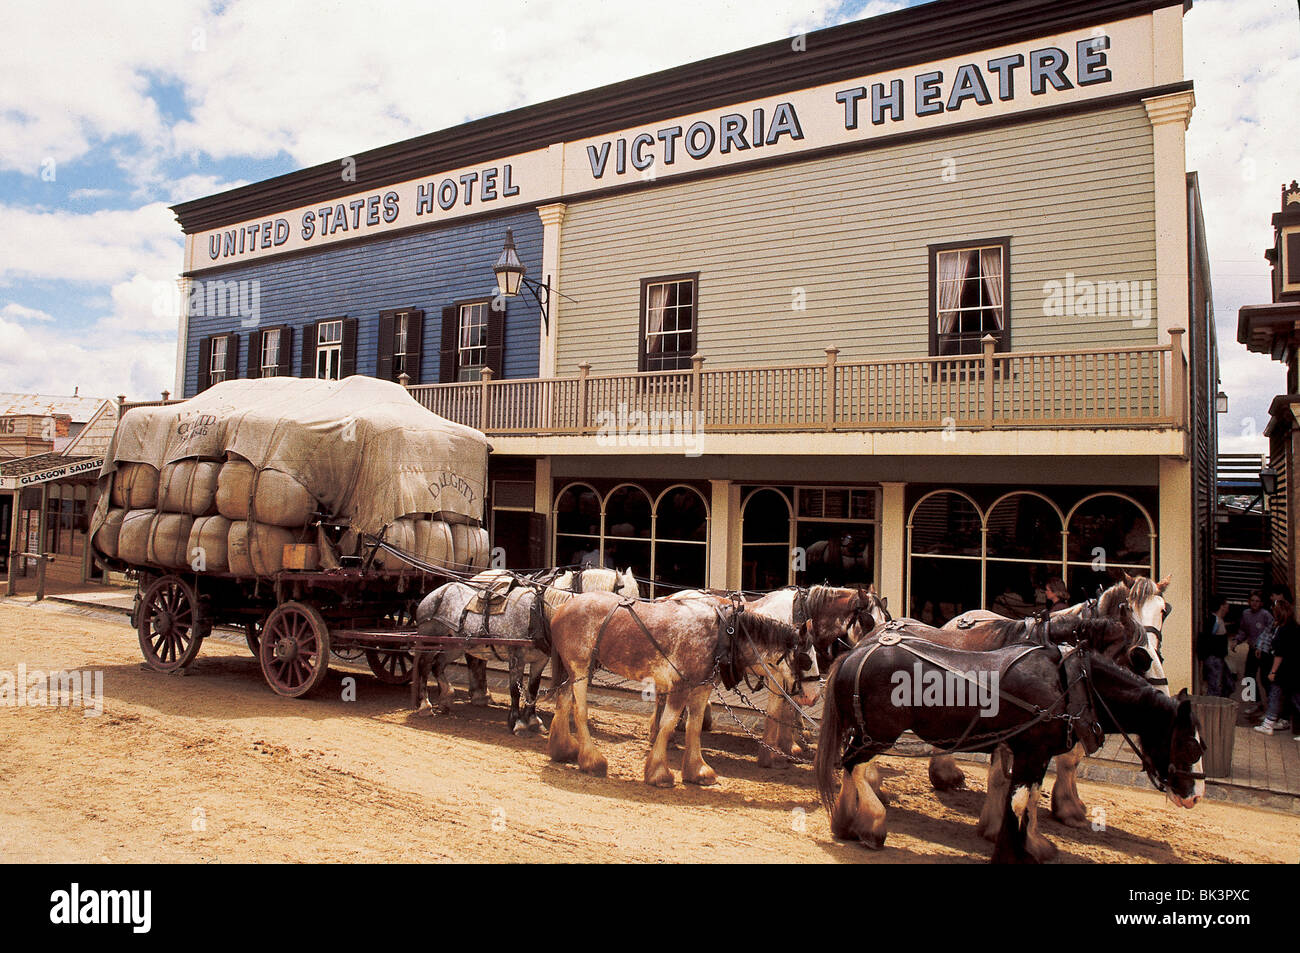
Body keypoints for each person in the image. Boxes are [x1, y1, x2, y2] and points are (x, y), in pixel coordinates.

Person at [1256, 594, 1298, 736]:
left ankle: (1268, 724)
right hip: (1292, 669)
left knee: (1283, 696)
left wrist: (1273, 672)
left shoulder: (1284, 629)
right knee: (1284, 696)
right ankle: (1268, 723)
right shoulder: (1292, 627)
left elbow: (1279, 653)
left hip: (1286, 670)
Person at [1236, 590, 1274, 712]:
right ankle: (1256, 702)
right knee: (1249, 677)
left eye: (1257, 601)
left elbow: (1271, 630)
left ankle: (1271, 704)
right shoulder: (1245, 614)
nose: (1254, 603)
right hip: (1252, 650)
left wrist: (1263, 646)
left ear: (1261, 603)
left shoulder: (1266, 615)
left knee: (1265, 678)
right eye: (1252, 600)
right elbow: (1243, 630)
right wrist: (1237, 641)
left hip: (1264, 651)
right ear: (1249, 601)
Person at [1198, 594, 1233, 698]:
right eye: (1226, 604)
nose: (1228, 606)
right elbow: (1206, 638)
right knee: (1215, 687)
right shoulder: (1214, 621)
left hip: (1219, 658)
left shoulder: (1219, 620)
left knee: (1229, 684)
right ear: (1221, 606)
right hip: (1214, 659)